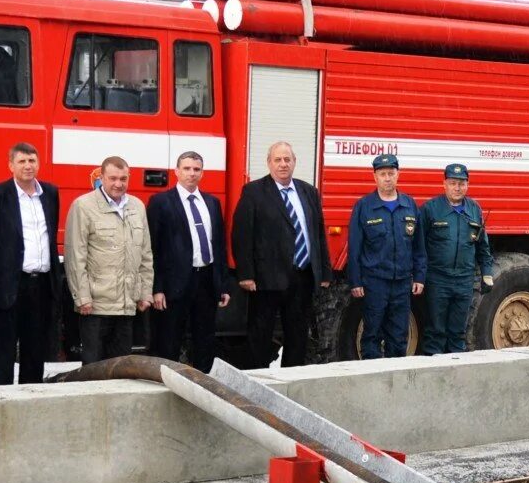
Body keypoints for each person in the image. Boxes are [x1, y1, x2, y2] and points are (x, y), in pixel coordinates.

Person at [231, 140, 331, 368]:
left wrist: (324, 271)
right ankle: (258, 379)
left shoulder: (309, 192)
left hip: (302, 276)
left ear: (294, 162)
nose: (283, 164)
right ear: (269, 163)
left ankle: (291, 380)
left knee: (298, 336)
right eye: (278, 160)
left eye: (287, 159)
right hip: (266, 279)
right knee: (260, 334)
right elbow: (242, 234)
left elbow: (317, 233)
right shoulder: (254, 192)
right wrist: (246, 274)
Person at [0, 141, 62, 384]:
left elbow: (50, 237)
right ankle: (4, 398)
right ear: (11, 165)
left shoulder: (51, 194)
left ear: (39, 163)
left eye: (32, 160)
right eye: (22, 161)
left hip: (41, 285)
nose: (28, 166)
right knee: (5, 349)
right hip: (9, 286)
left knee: (35, 350)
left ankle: (30, 398)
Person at [63, 155, 153, 362]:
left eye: (123, 179)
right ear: (101, 177)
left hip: (127, 305)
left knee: (120, 368)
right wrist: (82, 297)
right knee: (94, 367)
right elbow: (75, 256)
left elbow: (146, 254)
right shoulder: (83, 206)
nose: (118, 184)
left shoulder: (137, 207)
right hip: (95, 305)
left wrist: (145, 293)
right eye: (112, 178)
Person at [146, 149, 231, 370]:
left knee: (204, 339)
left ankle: (203, 383)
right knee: (169, 339)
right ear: (176, 171)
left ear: (202, 173)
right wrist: (157, 288)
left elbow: (219, 245)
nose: (191, 173)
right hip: (174, 284)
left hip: (206, 280)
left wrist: (222, 285)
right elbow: (153, 249)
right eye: (187, 169)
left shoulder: (212, 202)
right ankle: (166, 384)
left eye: (196, 169)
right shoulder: (160, 202)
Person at [345, 153, 425, 358]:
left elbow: (419, 246)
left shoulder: (409, 205)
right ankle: (373, 381)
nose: (387, 178)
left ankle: (394, 381)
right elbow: (354, 248)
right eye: (383, 174)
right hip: (374, 283)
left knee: (399, 336)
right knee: (372, 334)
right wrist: (355, 282)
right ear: (375, 177)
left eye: (391, 173)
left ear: (398, 175)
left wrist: (420, 276)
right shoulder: (364, 207)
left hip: (401, 284)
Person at [419, 162, 495, 354]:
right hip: (438, 280)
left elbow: (483, 247)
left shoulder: (474, 210)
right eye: (453, 183)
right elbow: (418, 247)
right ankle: (433, 375)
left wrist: (487, 273)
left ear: (467, 185)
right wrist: (419, 276)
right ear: (444, 184)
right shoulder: (430, 209)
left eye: (461, 183)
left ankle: (455, 378)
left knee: (458, 334)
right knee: (435, 333)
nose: (457, 188)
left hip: (464, 281)